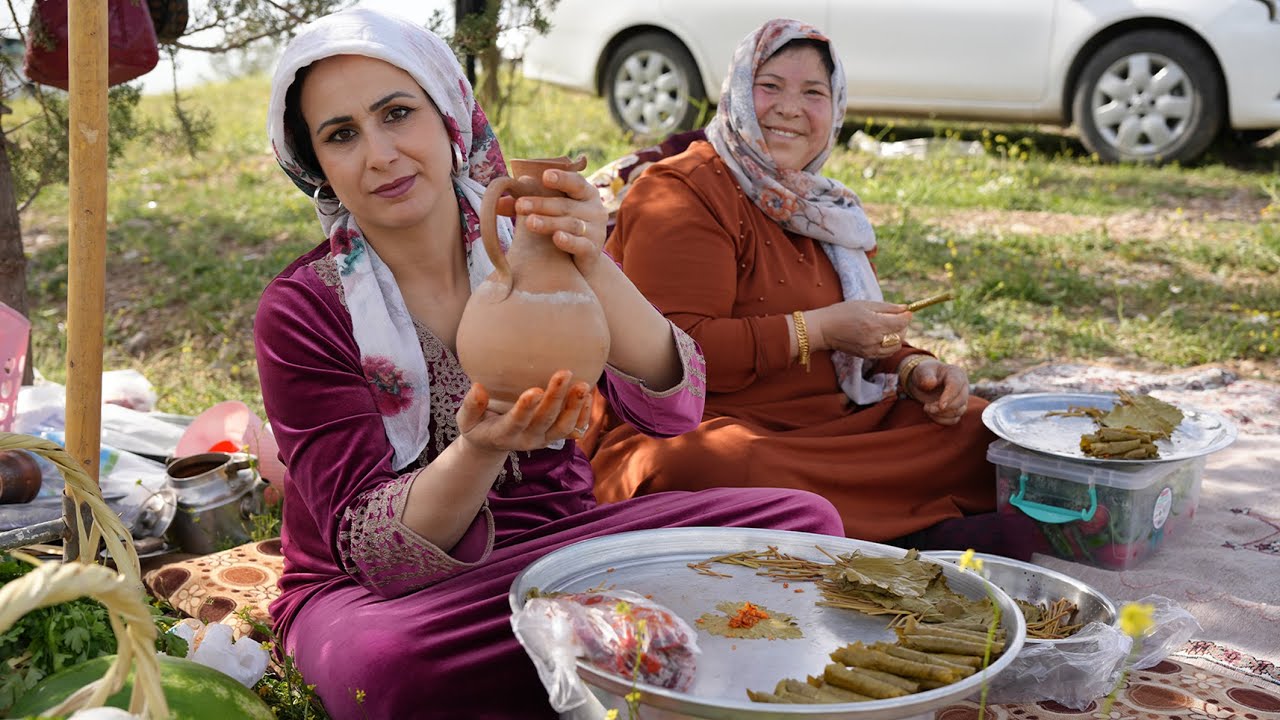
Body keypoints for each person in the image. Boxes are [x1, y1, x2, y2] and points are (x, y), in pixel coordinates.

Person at [254, 9, 844, 719]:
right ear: (315, 163)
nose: (379, 154)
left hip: (573, 554)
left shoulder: (537, 239)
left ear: (449, 121)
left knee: (803, 526)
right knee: (387, 667)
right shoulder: (304, 310)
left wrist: (591, 261)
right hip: (403, 601)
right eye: (341, 135)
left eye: (397, 114)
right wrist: (479, 448)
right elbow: (380, 558)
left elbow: (678, 405)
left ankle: (591, 660)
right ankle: (629, 662)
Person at [589, 19, 1010, 552]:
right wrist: (820, 331)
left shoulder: (830, 211)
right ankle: (903, 526)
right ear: (738, 94)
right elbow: (675, 355)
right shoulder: (681, 190)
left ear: (834, 111)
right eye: (770, 87)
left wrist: (913, 368)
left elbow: (862, 338)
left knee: (979, 429)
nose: (790, 108)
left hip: (833, 430)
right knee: (700, 466)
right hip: (715, 427)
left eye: (813, 93)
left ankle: (853, 528)